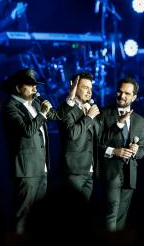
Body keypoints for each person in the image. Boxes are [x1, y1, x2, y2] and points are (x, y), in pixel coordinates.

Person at [1, 68, 62, 234]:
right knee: (23, 213)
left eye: (36, 85)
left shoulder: (34, 103)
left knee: (40, 215)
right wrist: (42, 113)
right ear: (18, 88)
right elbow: (27, 131)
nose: (35, 88)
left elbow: (57, 116)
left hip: (42, 168)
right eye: (30, 85)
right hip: (26, 171)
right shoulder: (10, 108)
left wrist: (70, 98)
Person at [98, 77, 144, 232]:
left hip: (130, 173)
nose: (122, 96)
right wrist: (114, 151)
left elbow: (143, 148)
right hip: (111, 172)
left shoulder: (139, 120)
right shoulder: (103, 113)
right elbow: (95, 144)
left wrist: (137, 150)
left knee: (122, 216)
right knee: (111, 213)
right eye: (119, 91)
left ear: (134, 97)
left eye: (127, 93)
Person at [58, 72, 101, 201]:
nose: (89, 92)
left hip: (90, 170)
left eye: (91, 89)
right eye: (85, 87)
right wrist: (89, 118)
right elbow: (72, 133)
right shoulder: (67, 108)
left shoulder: (89, 108)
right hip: (73, 171)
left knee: (83, 216)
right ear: (74, 87)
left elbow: (98, 135)